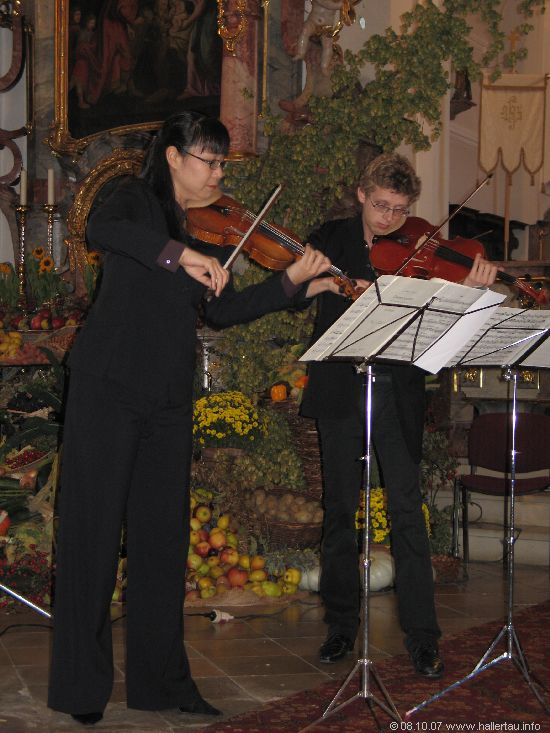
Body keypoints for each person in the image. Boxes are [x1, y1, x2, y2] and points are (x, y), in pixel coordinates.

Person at [47, 111, 337, 726]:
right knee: (91, 538)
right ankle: (80, 691)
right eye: (210, 160)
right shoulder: (134, 199)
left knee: (163, 542)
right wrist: (179, 255)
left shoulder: (209, 227)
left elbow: (223, 311)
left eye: (223, 162)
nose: (219, 173)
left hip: (168, 399)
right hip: (108, 387)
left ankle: (160, 684)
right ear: (174, 157)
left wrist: (294, 283)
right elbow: (103, 229)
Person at [300, 152, 498, 676]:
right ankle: (341, 626)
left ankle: (423, 636)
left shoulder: (420, 246)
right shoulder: (331, 238)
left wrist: (470, 291)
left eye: (401, 209)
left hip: (398, 390)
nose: (390, 219)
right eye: (381, 206)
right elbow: (294, 291)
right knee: (340, 511)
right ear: (362, 195)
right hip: (340, 388)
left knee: (408, 512)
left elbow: (447, 325)